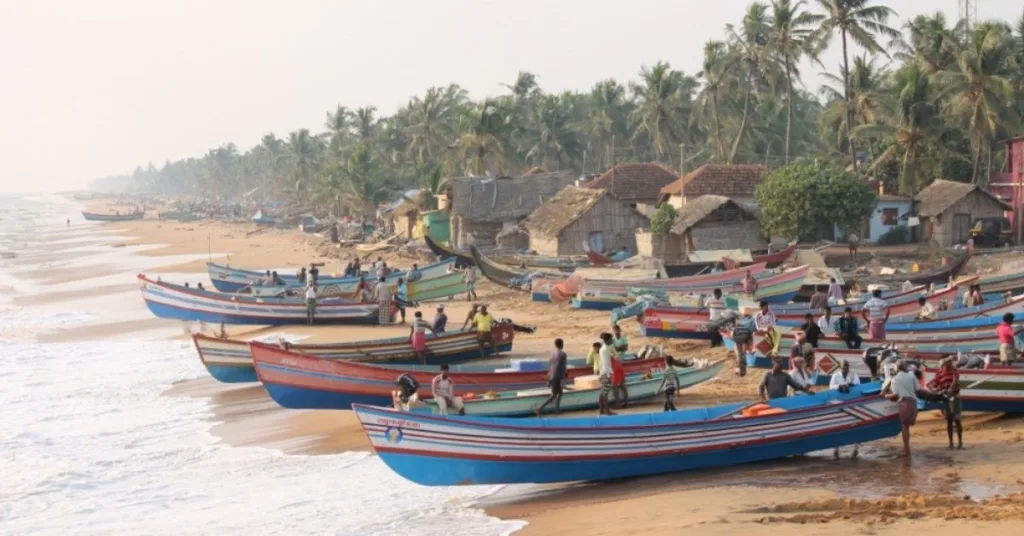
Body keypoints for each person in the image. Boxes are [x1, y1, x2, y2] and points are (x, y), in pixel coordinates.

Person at [884, 360, 919, 458]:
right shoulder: (912, 375)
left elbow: (895, 394)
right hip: (913, 403)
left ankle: (906, 449)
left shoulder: (895, 379)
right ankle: (907, 449)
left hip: (904, 403)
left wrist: (887, 396)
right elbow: (918, 389)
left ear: (897, 368)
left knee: (904, 426)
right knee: (907, 427)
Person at [829, 360, 861, 458]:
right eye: (843, 366)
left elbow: (858, 384)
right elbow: (831, 387)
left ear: (849, 366)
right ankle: (836, 449)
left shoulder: (853, 374)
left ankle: (856, 448)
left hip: (852, 403)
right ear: (840, 366)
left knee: (856, 425)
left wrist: (849, 385)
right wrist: (839, 386)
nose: (845, 368)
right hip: (838, 404)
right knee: (837, 426)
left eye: (847, 366)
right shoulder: (836, 375)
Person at [536, 339, 568, 415]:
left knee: (560, 393)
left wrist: (548, 377)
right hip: (557, 376)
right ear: (562, 344)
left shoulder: (552, 354)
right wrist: (564, 377)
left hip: (552, 375)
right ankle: (539, 409)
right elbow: (563, 367)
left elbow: (550, 365)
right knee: (554, 394)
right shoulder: (563, 354)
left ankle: (556, 409)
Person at [732, 309, 757, 377]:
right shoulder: (750, 321)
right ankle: (740, 371)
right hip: (744, 336)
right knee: (741, 355)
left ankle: (740, 371)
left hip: (739, 337)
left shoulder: (739, 321)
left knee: (740, 355)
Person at [597, 333, 616, 415]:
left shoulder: (604, 349)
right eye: (611, 339)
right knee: (605, 393)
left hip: (603, 372)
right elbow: (606, 364)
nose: (612, 340)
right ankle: (607, 410)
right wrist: (608, 375)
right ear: (607, 340)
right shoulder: (605, 350)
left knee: (602, 392)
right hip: (606, 372)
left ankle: (601, 410)